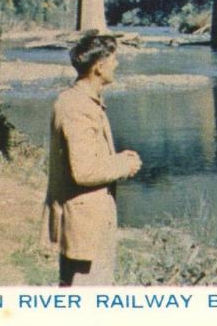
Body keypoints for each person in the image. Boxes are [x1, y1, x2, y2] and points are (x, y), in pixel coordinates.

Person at [42, 30, 142, 286]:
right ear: (98, 67)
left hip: (89, 224)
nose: (117, 64)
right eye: (113, 58)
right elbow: (84, 171)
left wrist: (117, 158)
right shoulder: (78, 107)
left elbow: (87, 157)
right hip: (84, 226)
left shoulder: (80, 100)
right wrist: (125, 164)